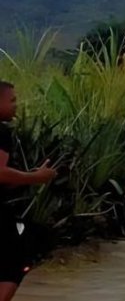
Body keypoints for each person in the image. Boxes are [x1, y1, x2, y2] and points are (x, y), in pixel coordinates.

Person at [0, 81, 57, 301]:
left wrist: (29, 177)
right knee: (14, 264)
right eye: (12, 100)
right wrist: (36, 177)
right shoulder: (1, 131)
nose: (17, 105)